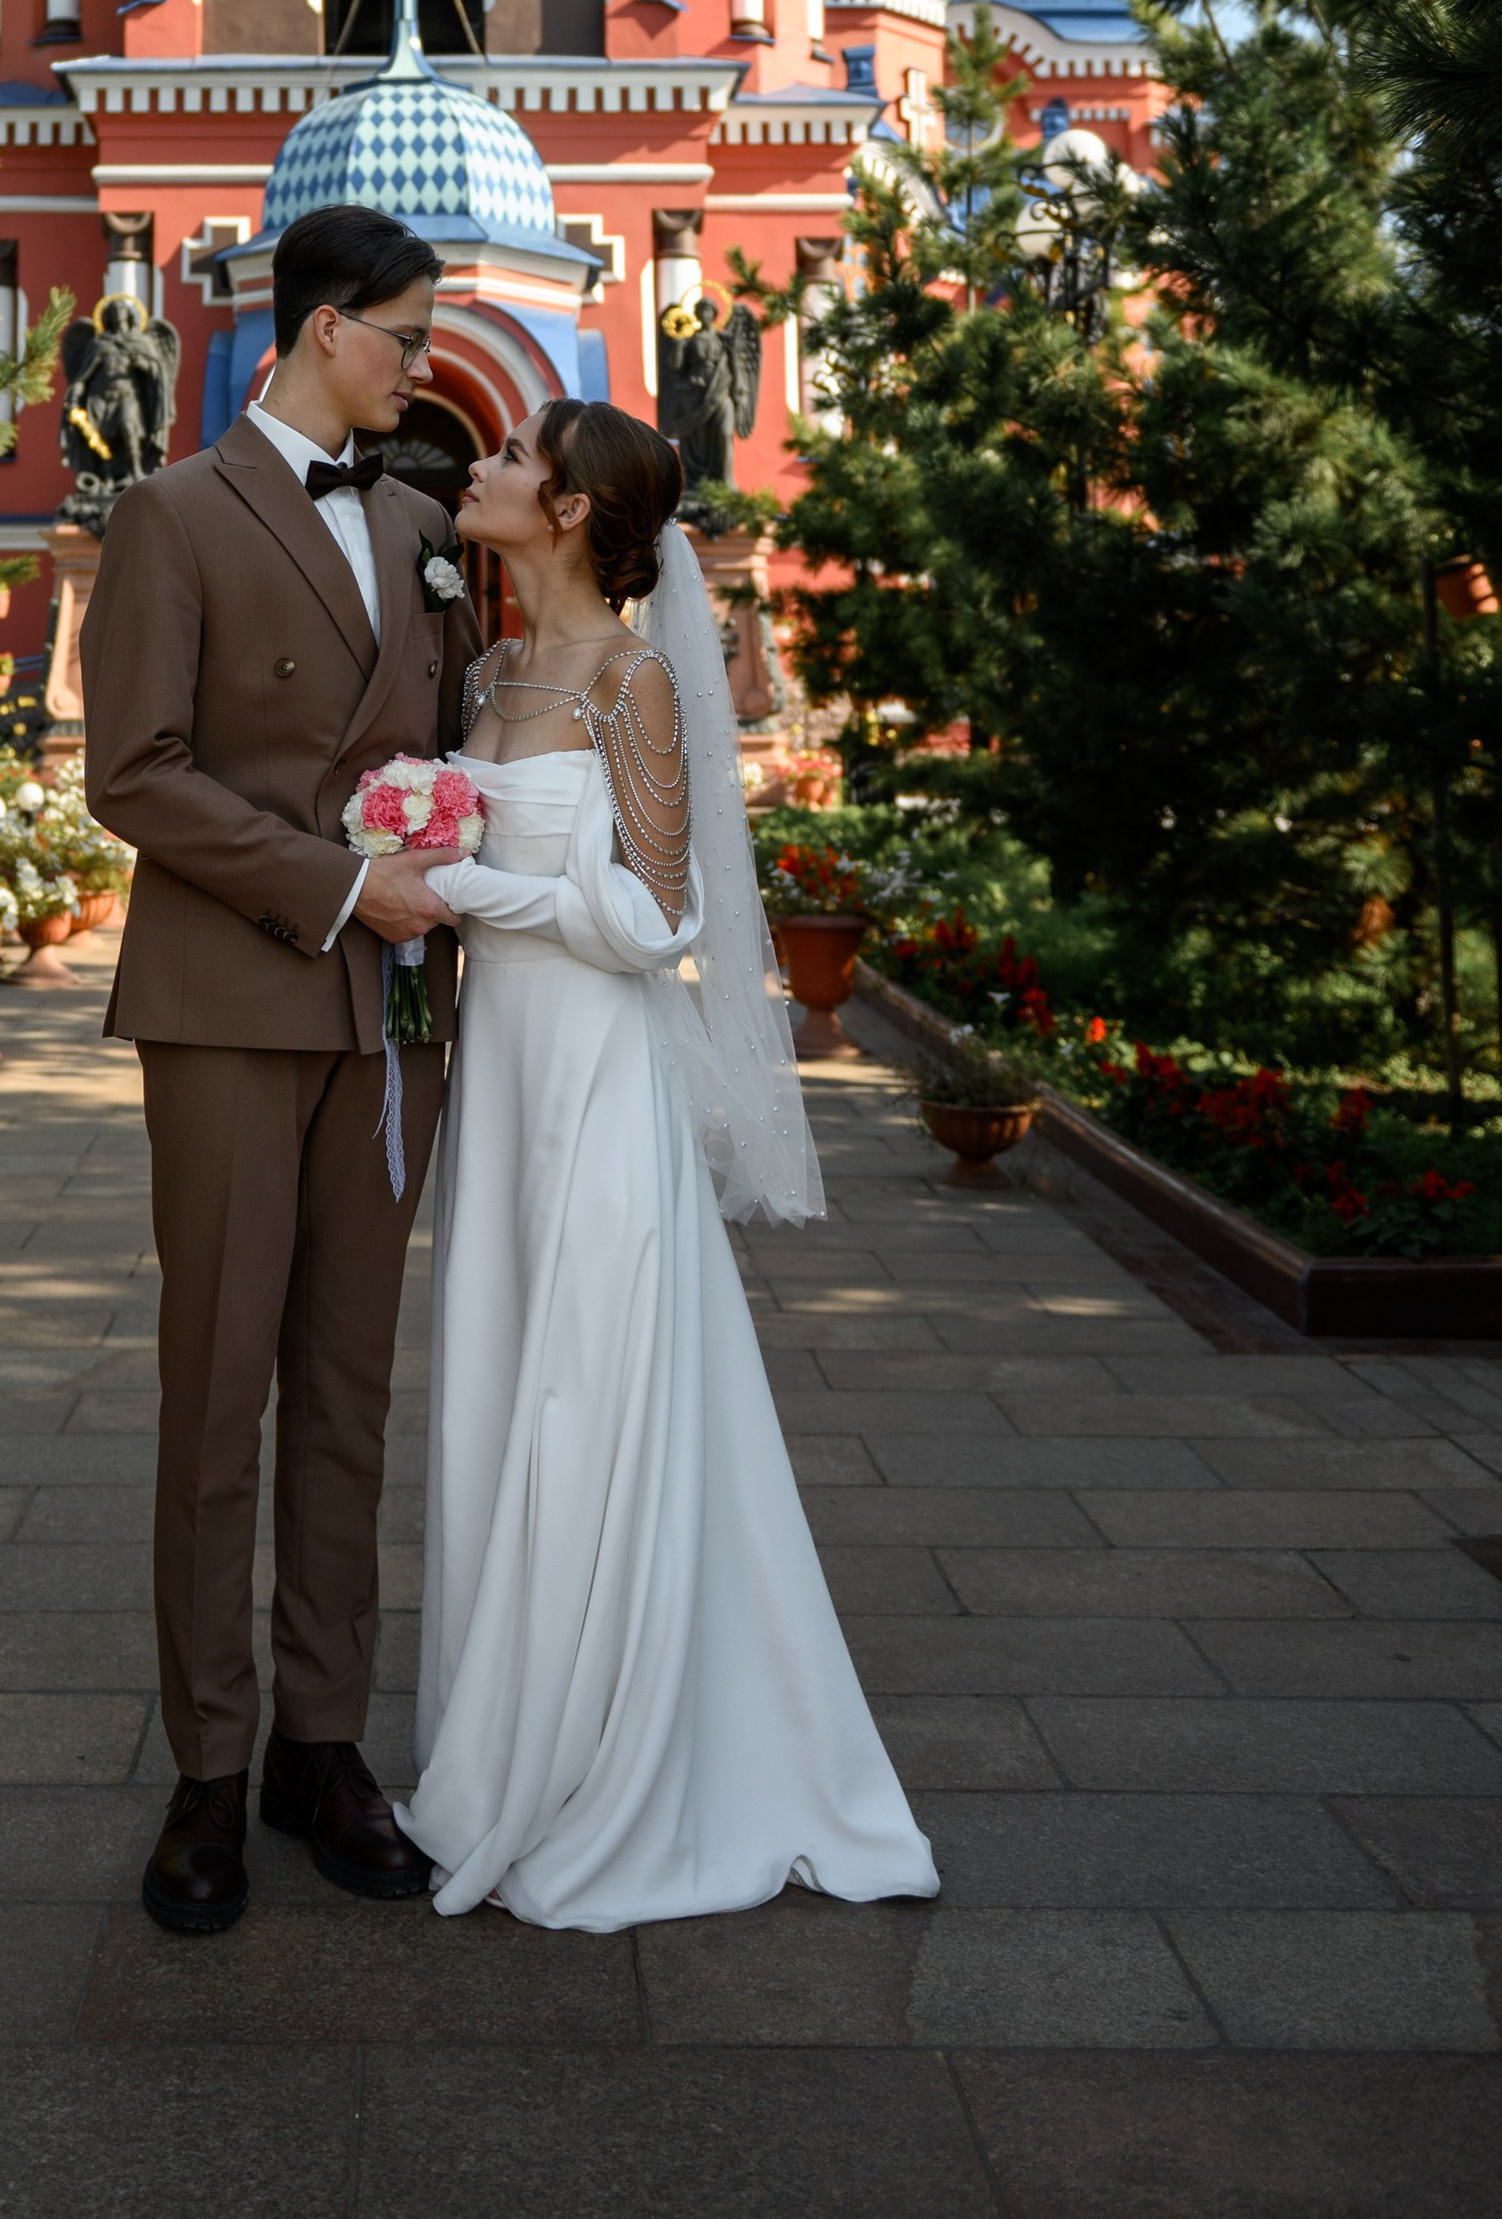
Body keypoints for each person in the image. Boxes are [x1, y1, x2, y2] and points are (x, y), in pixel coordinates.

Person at [395, 398, 940, 1928]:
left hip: (593, 1084)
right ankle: (506, 1749)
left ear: (569, 511)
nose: (480, 472)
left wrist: (467, 891)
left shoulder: (633, 681)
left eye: (509, 461)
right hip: (500, 1082)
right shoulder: (497, 669)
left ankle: (600, 1768)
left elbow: (660, 917)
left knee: (587, 1391)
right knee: (509, 1384)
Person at [81, 204, 483, 1937]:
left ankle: (329, 1747)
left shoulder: (421, 525)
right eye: (403, 335)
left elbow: (448, 746)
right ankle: (206, 1773)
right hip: (235, 1002)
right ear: (323, 328)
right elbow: (136, 773)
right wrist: (336, 880)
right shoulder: (169, 513)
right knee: (216, 1393)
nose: (419, 363)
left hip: (392, 1017)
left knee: (347, 1389)